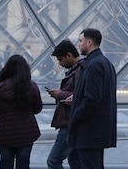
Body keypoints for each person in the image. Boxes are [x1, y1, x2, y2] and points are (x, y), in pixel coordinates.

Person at [68, 28, 118, 169]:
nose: (78, 45)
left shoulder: (93, 65)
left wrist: (76, 116)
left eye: (80, 41)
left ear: (89, 43)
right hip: (98, 130)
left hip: (89, 131)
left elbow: (92, 99)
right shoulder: (105, 63)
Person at [0, 55, 44, 169]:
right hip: (27, 133)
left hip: (5, 133)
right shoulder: (32, 87)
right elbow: (37, 109)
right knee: (23, 164)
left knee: (5, 164)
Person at [45, 41, 80, 169]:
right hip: (74, 122)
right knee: (76, 162)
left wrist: (60, 94)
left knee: (53, 160)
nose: (59, 63)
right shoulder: (78, 70)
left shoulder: (80, 71)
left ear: (69, 55)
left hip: (70, 123)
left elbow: (80, 95)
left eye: (60, 59)